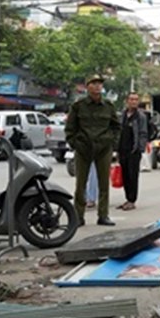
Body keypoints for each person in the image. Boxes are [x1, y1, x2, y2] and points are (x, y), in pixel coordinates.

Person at [65, 74, 120, 226]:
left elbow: (116, 126)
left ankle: (103, 215)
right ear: (87, 86)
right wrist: (74, 143)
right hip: (83, 148)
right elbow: (70, 127)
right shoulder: (78, 106)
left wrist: (112, 142)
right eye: (94, 83)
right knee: (80, 184)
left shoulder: (108, 106)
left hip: (103, 148)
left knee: (103, 184)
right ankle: (78, 216)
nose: (97, 86)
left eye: (99, 84)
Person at [116, 91, 148, 211]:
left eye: (136, 99)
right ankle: (127, 199)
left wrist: (140, 148)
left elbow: (143, 133)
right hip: (122, 150)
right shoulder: (122, 115)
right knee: (125, 175)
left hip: (134, 150)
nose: (134, 102)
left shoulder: (140, 117)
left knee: (132, 176)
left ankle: (132, 200)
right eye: (131, 99)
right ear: (127, 101)